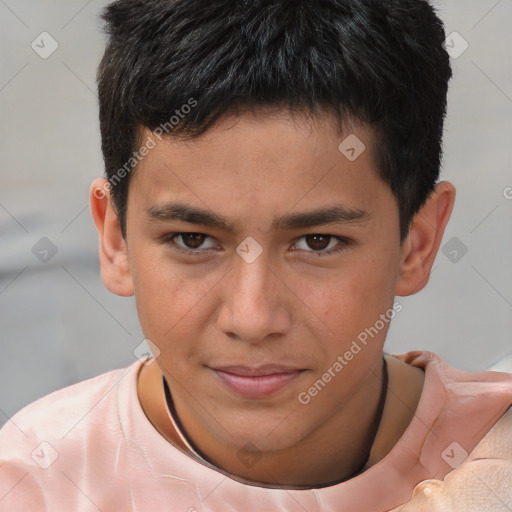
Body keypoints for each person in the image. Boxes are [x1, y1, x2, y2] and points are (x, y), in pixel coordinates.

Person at [1, 0, 511, 510]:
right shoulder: (40, 482)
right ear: (116, 239)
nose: (251, 319)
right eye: (193, 240)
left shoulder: (494, 457)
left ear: (416, 243)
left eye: (317, 242)